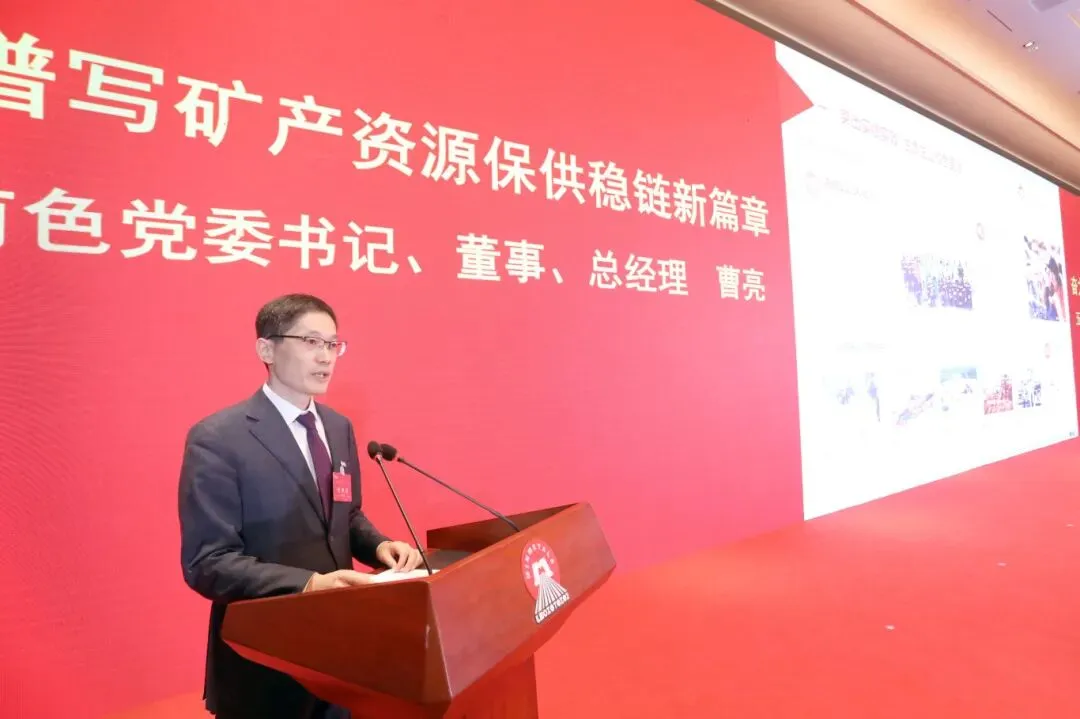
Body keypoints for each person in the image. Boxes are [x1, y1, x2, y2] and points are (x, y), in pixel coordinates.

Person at [178, 293, 422, 719]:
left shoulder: (337, 427)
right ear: (266, 349)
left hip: (341, 658)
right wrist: (310, 584)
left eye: (333, 344)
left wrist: (380, 547)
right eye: (311, 342)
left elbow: (345, 515)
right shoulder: (218, 438)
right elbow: (208, 563)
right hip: (264, 663)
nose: (325, 357)